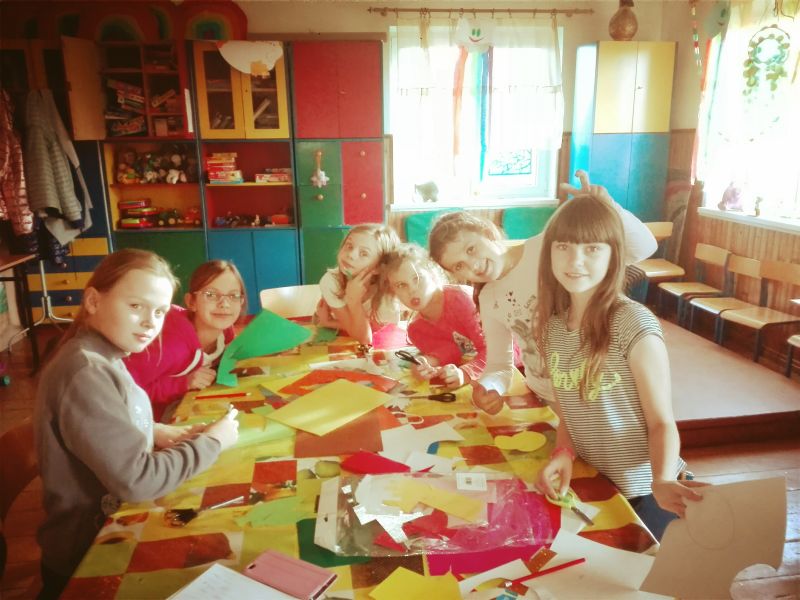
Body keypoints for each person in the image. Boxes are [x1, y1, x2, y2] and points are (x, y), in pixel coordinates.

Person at [34, 249, 239, 599]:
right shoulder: (87, 371)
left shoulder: (105, 354)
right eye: (136, 306)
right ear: (94, 301)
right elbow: (137, 481)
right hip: (91, 554)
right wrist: (213, 442)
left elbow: (101, 423)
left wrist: (155, 431)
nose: (149, 323)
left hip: (113, 526)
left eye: (159, 312)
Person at [531, 194, 705, 540]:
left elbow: (661, 422)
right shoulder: (552, 329)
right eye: (563, 246)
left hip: (649, 491)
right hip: (599, 486)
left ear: (614, 256)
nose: (575, 260)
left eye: (592, 248)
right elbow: (569, 415)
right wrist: (563, 453)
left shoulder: (632, 323)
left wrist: (662, 479)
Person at [429, 171, 658, 413]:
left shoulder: (549, 245)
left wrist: (606, 209)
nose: (473, 265)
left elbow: (643, 248)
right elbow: (499, 365)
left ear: (487, 232)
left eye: (471, 249)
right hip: (545, 397)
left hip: (596, 390)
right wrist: (488, 388)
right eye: (459, 266)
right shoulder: (488, 298)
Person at [125, 260, 246, 422]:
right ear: (191, 302)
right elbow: (126, 390)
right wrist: (184, 383)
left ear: (241, 302)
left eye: (233, 296)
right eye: (211, 295)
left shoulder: (225, 332)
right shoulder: (170, 345)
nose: (224, 304)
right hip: (147, 423)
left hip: (186, 406)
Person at [378, 243, 486, 388]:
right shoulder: (417, 330)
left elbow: (500, 352)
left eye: (417, 279)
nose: (412, 290)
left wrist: (465, 373)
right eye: (401, 285)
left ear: (434, 272)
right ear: (393, 291)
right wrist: (426, 362)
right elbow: (453, 350)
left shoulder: (461, 300)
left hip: (511, 371)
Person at [315, 223, 403, 347]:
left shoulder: (387, 293)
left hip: (385, 343)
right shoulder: (331, 282)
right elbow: (361, 334)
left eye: (364, 253)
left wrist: (331, 321)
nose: (351, 254)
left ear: (379, 267)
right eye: (349, 246)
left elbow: (367, 337)